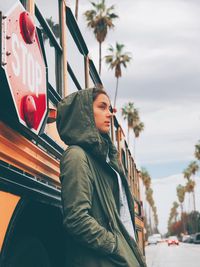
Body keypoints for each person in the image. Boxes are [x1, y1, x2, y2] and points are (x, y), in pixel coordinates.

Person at [56, 87, 146, 267]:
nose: (109, 114)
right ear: (86, 113)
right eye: (102, 107)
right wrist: (114, 245)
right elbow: (76, 218)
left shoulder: (104, 160)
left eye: (110, 109)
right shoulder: (76, 156)